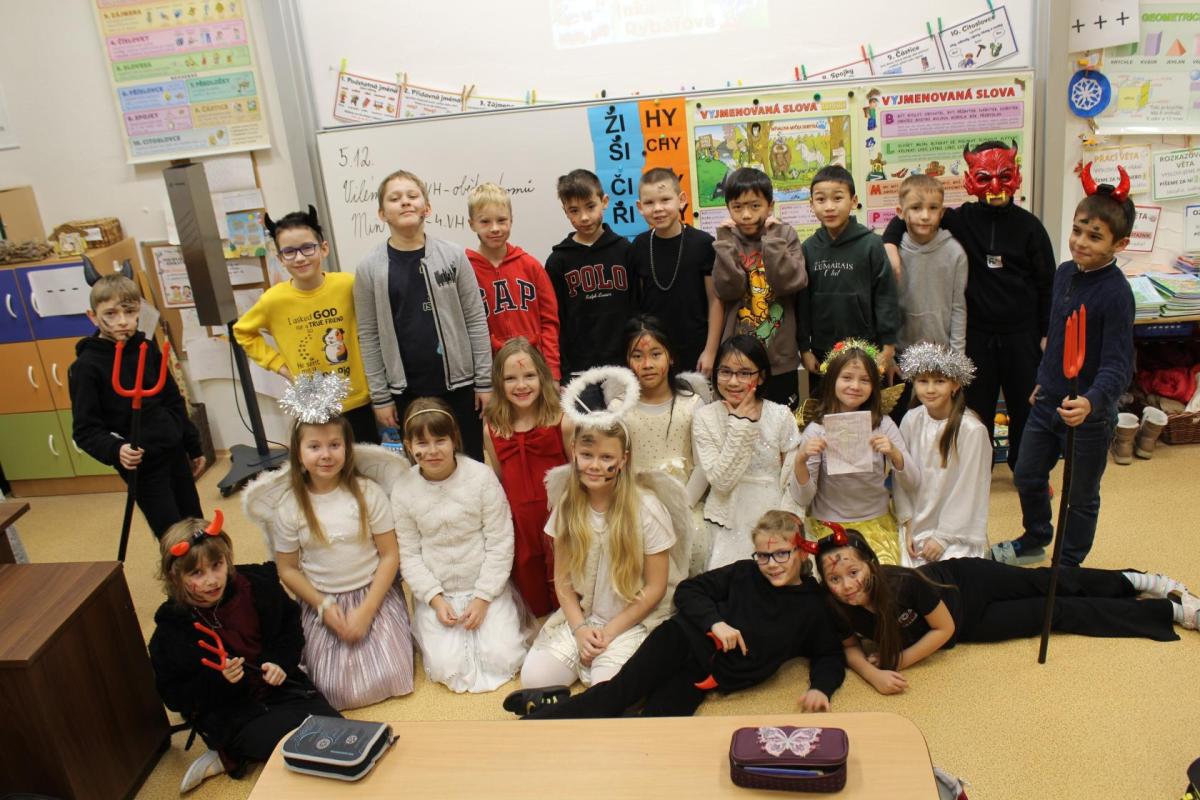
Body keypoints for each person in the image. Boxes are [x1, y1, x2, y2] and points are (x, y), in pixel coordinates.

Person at [507, 511, 845, 718]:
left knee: (657, 724)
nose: (771, 565)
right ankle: (530, 727)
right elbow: (688, 590)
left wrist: (821, 688)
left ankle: (552, 704)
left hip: (707, 675)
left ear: (803, 553)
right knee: (615, 698)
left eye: (782, 554)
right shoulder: (744, 572)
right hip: (680, 640)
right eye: (763, 556)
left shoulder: (812, 605)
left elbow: (829, 653)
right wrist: (716, 622)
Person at [816, 526, 1198, 696]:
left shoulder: (903, 583)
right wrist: (873, 675)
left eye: (854, 573)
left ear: (871, 565)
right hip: (971, 626)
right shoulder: (837, 605)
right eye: (835, 579)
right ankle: (1167, 612)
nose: (847, 586)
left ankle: (1142, 581)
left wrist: (898, 661)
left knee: (1049, 582)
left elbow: (941, 630)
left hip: (970, 582)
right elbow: (850, 647)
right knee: (1055, 613)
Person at [992, 165, 1137, 568]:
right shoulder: (1065, 273)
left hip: (1088, 414)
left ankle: (1068, 564)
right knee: (1027, 473)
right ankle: (1036, 537)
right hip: (1049, 400)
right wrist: (1044, 378)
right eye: (1077, 230)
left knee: (1080, 495)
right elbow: (1057, 338)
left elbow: (1118, 365)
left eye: (1095, 236)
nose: (1080, 242)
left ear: (1120, 243)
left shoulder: (1117, 294)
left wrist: (1092, 401)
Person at [882, 141, 1057, 471]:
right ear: (971, 179)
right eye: (985, 177)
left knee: (1025, 406)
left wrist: (1047, 332)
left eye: (1004, 175)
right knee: (976, 408)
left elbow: (1048, 284)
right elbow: (910, 216)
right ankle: (979, 470)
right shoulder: (959, 219)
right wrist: (889, 243)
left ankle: (1027, 472)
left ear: (1016, 175)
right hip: (978, 333)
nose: (995, 186)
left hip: (1022, 334)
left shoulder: (1030, 227)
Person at [519, 367, 693, 689]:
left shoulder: (647, 509)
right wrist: (580, 629)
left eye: (606, 457)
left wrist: (610, 632)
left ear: (623, 459)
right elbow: (563, 581)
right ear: (574, 451)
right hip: (584, 615)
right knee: (534, 680)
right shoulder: (569, 504)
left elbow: (656, 587)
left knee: (608, 690)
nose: (595, 466)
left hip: (632, 620)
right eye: (587, 455)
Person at [148, 514, 340, 792]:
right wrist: (219, 680)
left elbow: (290, 628)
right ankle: (229, 752)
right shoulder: (171, 631)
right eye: (197, 573)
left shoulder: (256, 585)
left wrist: (279, 662)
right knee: (298, 744)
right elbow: (175, 696)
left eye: (217, 565)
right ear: (176, 577)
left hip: (285, 692)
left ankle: (233, 756)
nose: (212, 580)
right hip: (234, 713)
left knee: (335, 729)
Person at [269, 377, 413, 709]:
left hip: (372, 592)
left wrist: (367, 609)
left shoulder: (368, 493)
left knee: (391, 674)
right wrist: (322, 606)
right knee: (332, 688)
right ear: (298, 453)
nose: (326, 455)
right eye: (314, 447)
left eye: (334, 445)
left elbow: (390, 555)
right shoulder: (290, 506)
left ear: (348, 448)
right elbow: (288, 569)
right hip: (324, 599)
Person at [353, 169, 492, 460]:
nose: (405, 202)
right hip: (406, 392)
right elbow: (368, 335)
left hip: (461, 386)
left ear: (426, 208)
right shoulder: (369, 268)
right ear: (382, 214)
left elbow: (475, 319)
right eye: (395, 198)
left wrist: (484, 381)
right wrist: (381, 397)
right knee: (424, 466)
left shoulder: (453, 256)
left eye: (412, 196)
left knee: (469, 461)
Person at [395, 397, 528, 692]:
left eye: (440, 440)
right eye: (422, 443)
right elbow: (409, 554)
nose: (432, 451)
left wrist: (483, 597)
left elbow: (500, 540)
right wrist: (435, 599)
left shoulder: (480, 477)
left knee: (503, 657)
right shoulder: (403, 489)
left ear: (454, 438)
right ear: (408, 446)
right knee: (447, 666)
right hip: (439, 591)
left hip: (484, 585)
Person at [70, 272, 205, 538]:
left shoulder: (146, 348)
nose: (122, 321)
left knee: (195, 523)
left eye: (129, 312)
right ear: (93, 317)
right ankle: (180, 566)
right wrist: (116, 449)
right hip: (142, 464)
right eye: (110, 314)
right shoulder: (85, 367)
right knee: (172, 533)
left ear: (138, 312)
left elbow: (172, 399)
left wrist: (192, 445)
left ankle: (205, 565)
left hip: (173, 450)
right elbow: (85, 430)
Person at [233, 205, 379, 444]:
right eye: (289, 252)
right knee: (324, 461)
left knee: (365, 459)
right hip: (313, 402)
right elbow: (242, 331)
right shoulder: (273, 300)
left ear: (323, 248)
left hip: (358, 398)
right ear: (280, 259)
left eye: (307, 248)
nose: (300, 258)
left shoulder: (348, 285)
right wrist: (280, 366)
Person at [790, 340, 919, 566]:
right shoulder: (817, 430)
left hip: (877, 524)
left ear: (874, 386)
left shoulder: (884, 424)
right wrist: (801, 460)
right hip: (828, 526)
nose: (855, 386)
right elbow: (803, 497)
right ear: (832, 380)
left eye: (865, 380)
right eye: (847, 378)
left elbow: (913, 482)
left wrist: (895, 454)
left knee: (882, 577)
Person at [694, 335, 800, 570]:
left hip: (774, 510)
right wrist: (741, 424)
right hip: (727, 515)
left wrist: (786, 523)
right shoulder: (705, 417)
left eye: (744, 373)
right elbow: (722, 482)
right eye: (725, 372)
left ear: (760, 376)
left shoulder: (780, 415)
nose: (733, 381)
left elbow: (792, 480)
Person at [483, 338, 573, 616]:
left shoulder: (563, 421)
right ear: (499, 383)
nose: (521, 385)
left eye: (529, 376)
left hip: (560, 523)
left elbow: (577, 475)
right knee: (532, 599)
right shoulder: (493, 429)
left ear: (542, 376)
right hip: (520, 529)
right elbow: (499, 480)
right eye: (510, 378)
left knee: (566, 593)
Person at [711, 167, 807, 408]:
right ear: (728, 208)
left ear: (770, 206)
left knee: (782, 421)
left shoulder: (785, 234)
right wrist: (724, 244)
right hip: (738, 361)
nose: (746, 215)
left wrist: (772, 241)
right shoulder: (728, 238)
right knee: (740, 421)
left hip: (780, 358)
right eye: (737, 207)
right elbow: (728, 290)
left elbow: (790, 283)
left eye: (755, 206)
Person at [799, 165, 900, 392]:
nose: (829, 207)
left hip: (866, 350)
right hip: (822, 352)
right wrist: (805, 349)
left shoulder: (871, 244)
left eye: (837, 198)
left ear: (853, 201)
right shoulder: (808, 248)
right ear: (812, 204)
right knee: (826, 408)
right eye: (821, 200)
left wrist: (888, 347)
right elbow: (802, 303)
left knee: (863, 405)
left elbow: (885, 296)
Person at [894, 343, 991, 565]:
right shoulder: (910, 419)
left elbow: (970, 487)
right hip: (915, 524)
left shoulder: (971, 430)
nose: (930, 389)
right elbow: (901, 477)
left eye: (939, 381)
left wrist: (943, 537)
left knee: (949, 574)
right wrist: (907, 523)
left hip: (955, 531)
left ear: (955, 384)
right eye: (923, 381)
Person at [889, 174, 968, 424]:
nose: (925, 216)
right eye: (916, 208)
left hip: (941, 359)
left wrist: (956, 360)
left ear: (942, 212)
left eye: (933, 208)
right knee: (903, 423)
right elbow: (883, 305)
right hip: (901, 358)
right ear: (900, 212)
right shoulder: (891, 252)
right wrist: (888, 353)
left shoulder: (955, 253)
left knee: (938, 424)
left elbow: (958, 308)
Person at [628, 167, 722, 376]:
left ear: (681, 200)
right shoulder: (639, 246)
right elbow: (638, 305)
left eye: (665, 200)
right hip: (655, 352)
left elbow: (715, 301)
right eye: (649, 203)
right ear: (640, 207)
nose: (658, 208)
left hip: (697, 348)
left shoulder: (703, 243)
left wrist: (711, 351)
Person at [465, 182, 561, 380]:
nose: (495, 228)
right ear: (472, 224)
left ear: (511, 220)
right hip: (490, 374)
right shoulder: (465, 270)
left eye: (502, 220)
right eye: (485, 222)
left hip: (535, 371)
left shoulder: (530, 266)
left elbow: (550, 323)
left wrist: (553, 372)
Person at [544, 169, 633, 379]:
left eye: (590, 207)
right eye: (574, 210)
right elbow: (555, 320)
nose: (584, 217)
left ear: (605, 201)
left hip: (625, 365)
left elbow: (637, 308)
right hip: (579, 370)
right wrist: (561, 370)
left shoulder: (625, 251)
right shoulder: (558, 261)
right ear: (565, 211)